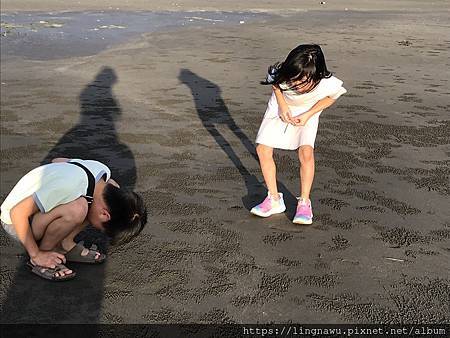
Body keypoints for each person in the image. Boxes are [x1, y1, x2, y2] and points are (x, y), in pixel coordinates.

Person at [0, 158, 147, 281]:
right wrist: (36, 254)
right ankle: (45, 254)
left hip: (40, 209)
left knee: (100, 194)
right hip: (16, 223)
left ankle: (64, 245)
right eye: (102, 229)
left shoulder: (102, 172)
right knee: (78, 208)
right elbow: (17, 213)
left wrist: (52, 179)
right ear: (105, 215)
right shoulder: (68, 186)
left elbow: (58, 160)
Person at [251, 44, 347, 224]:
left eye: (303, 82)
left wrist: (308, 114)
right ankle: (274, 199)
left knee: (306, 152)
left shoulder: (326, 82)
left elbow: (332, 97)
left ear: (316, 75)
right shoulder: (285, 72)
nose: (296, 85)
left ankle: (304, 202)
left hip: (308, 110)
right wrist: (282, 105)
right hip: (280, 106)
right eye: (293, 80)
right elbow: (276, 84)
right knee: (262, 149)